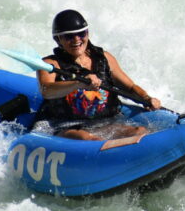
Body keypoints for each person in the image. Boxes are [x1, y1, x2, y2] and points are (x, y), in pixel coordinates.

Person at [34, 9, 161, 141]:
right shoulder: (50, 64)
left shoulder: (104, 58)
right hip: (63, 126)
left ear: (87, 33)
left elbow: (130, 87)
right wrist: (78, 83)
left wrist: (146, 98)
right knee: (87, 138)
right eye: (69, 36)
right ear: (58, 39)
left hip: (103, 123)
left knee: (140, 131)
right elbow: (46, 90)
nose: (76, 40)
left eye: (81, 33)